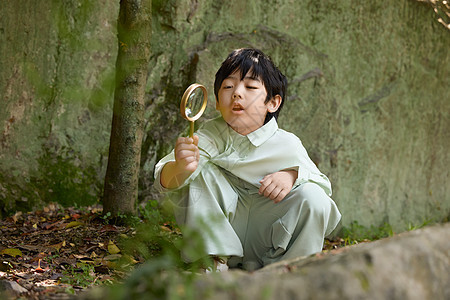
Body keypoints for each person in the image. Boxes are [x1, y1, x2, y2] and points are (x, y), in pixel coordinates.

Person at [154, 48, 341, 271]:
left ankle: (292, 272)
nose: (237, 93)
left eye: (251, 87)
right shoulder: (206, 137)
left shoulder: (288, 144)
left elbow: (322, 189)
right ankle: (211, 262)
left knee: (313, 196)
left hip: (268, 239)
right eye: (228, 87)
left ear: (273, 103)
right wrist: (180, 167)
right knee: (198, 170)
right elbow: (163, 179)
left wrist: (291, 175)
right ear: (216, 102)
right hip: (221, 236)